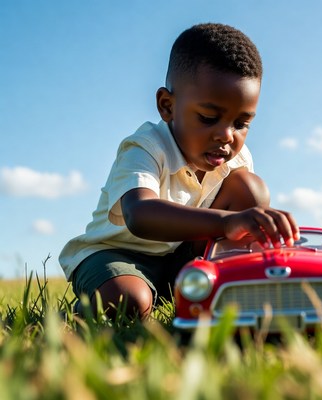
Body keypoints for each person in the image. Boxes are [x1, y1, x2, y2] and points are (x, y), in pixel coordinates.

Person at [59, 23, 299, 320]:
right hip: (116, 255)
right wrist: (228, 223)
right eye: (209, 117)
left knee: (251, 189)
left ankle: (218, 287)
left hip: (180, 260)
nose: (227, 135)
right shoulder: (145, 147)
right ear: (167, 106)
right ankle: (78, 313)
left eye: (241, 123)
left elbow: (240, 210)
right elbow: (139, 214)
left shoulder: (236, 161)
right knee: (129, 300)